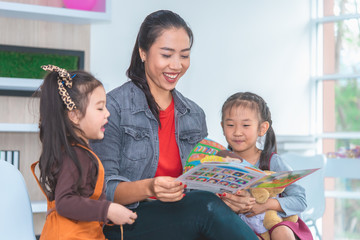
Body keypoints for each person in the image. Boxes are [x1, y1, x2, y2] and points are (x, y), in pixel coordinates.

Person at [90, 10, 257, 240]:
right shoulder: (113, 108)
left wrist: (229, 197)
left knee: (208, 206)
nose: (176, 65)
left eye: (184, 55)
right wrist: (150, 188)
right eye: (167, 55)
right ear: (143, 52)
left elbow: (201, 182)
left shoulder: (194, 114)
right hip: (125, 222)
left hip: (182, 218)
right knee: (204, 208)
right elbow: (103, 190)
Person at [32, 65, 137, 240]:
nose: (108, 113)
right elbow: (66, 202)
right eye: (100, 108)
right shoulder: (76, 155)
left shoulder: (75, 152)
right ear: (74, 115)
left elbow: (83, 198)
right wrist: (107, 210)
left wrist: (109, 211)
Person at [220, 92, 313, 240]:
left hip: (275, 225)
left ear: (262, 128)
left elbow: (300, 200)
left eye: (245, 125)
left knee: (281, 232)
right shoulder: (220, 163)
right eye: (230, 125)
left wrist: (266, 204)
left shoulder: (272, 161)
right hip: (243, 226)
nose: (237, 132)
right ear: (222, 127)